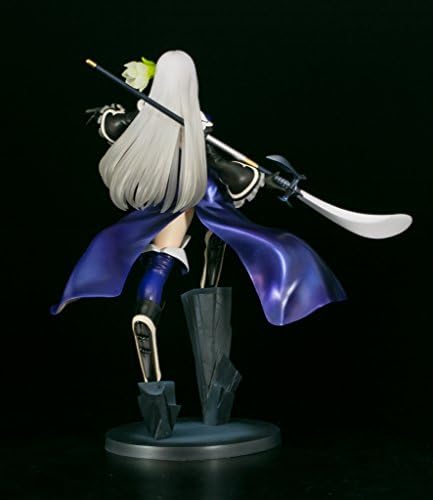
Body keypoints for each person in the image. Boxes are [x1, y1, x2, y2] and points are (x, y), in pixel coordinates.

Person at [51, 50, 346, 436]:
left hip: (170, 200)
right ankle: (209, 371)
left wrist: (110, 117)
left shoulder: (147, 119)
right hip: (199, 197)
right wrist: (264, 179)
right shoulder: (186, 125)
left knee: (167, 257)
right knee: (221, 233)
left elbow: (112, 125)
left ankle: (150, 316)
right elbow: (233, 175)